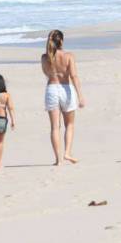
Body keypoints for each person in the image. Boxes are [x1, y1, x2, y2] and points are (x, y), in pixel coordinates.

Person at [41, 29, 85, 165]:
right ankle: (67, 152)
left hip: (52, 89)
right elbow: (74, 76)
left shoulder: (45, 57)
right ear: (61, 41)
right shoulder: (69, 56)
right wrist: (80, 95)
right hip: (66, 89)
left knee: (55, 127)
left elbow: (46, 73)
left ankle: (58, 160)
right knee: (69, 124)